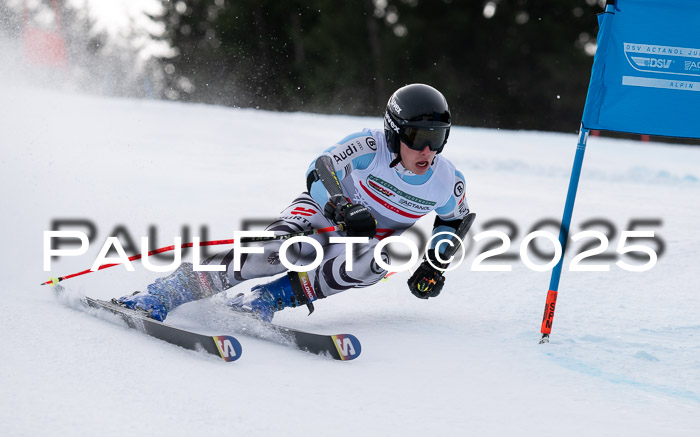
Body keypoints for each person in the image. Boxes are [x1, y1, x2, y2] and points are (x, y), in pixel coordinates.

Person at [117, 83, 471, 322]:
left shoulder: (446, 181)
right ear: (394, 132)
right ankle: (168, 291)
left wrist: (434, 265)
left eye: (437, 139)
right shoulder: (370, 147)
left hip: (363, 240)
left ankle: (266, 300)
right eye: (417, 137)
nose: (427, 150)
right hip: (323, 213)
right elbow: (320, 170)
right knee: (288, 251)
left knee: (380, 261)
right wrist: (342, 206)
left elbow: (453, 221)